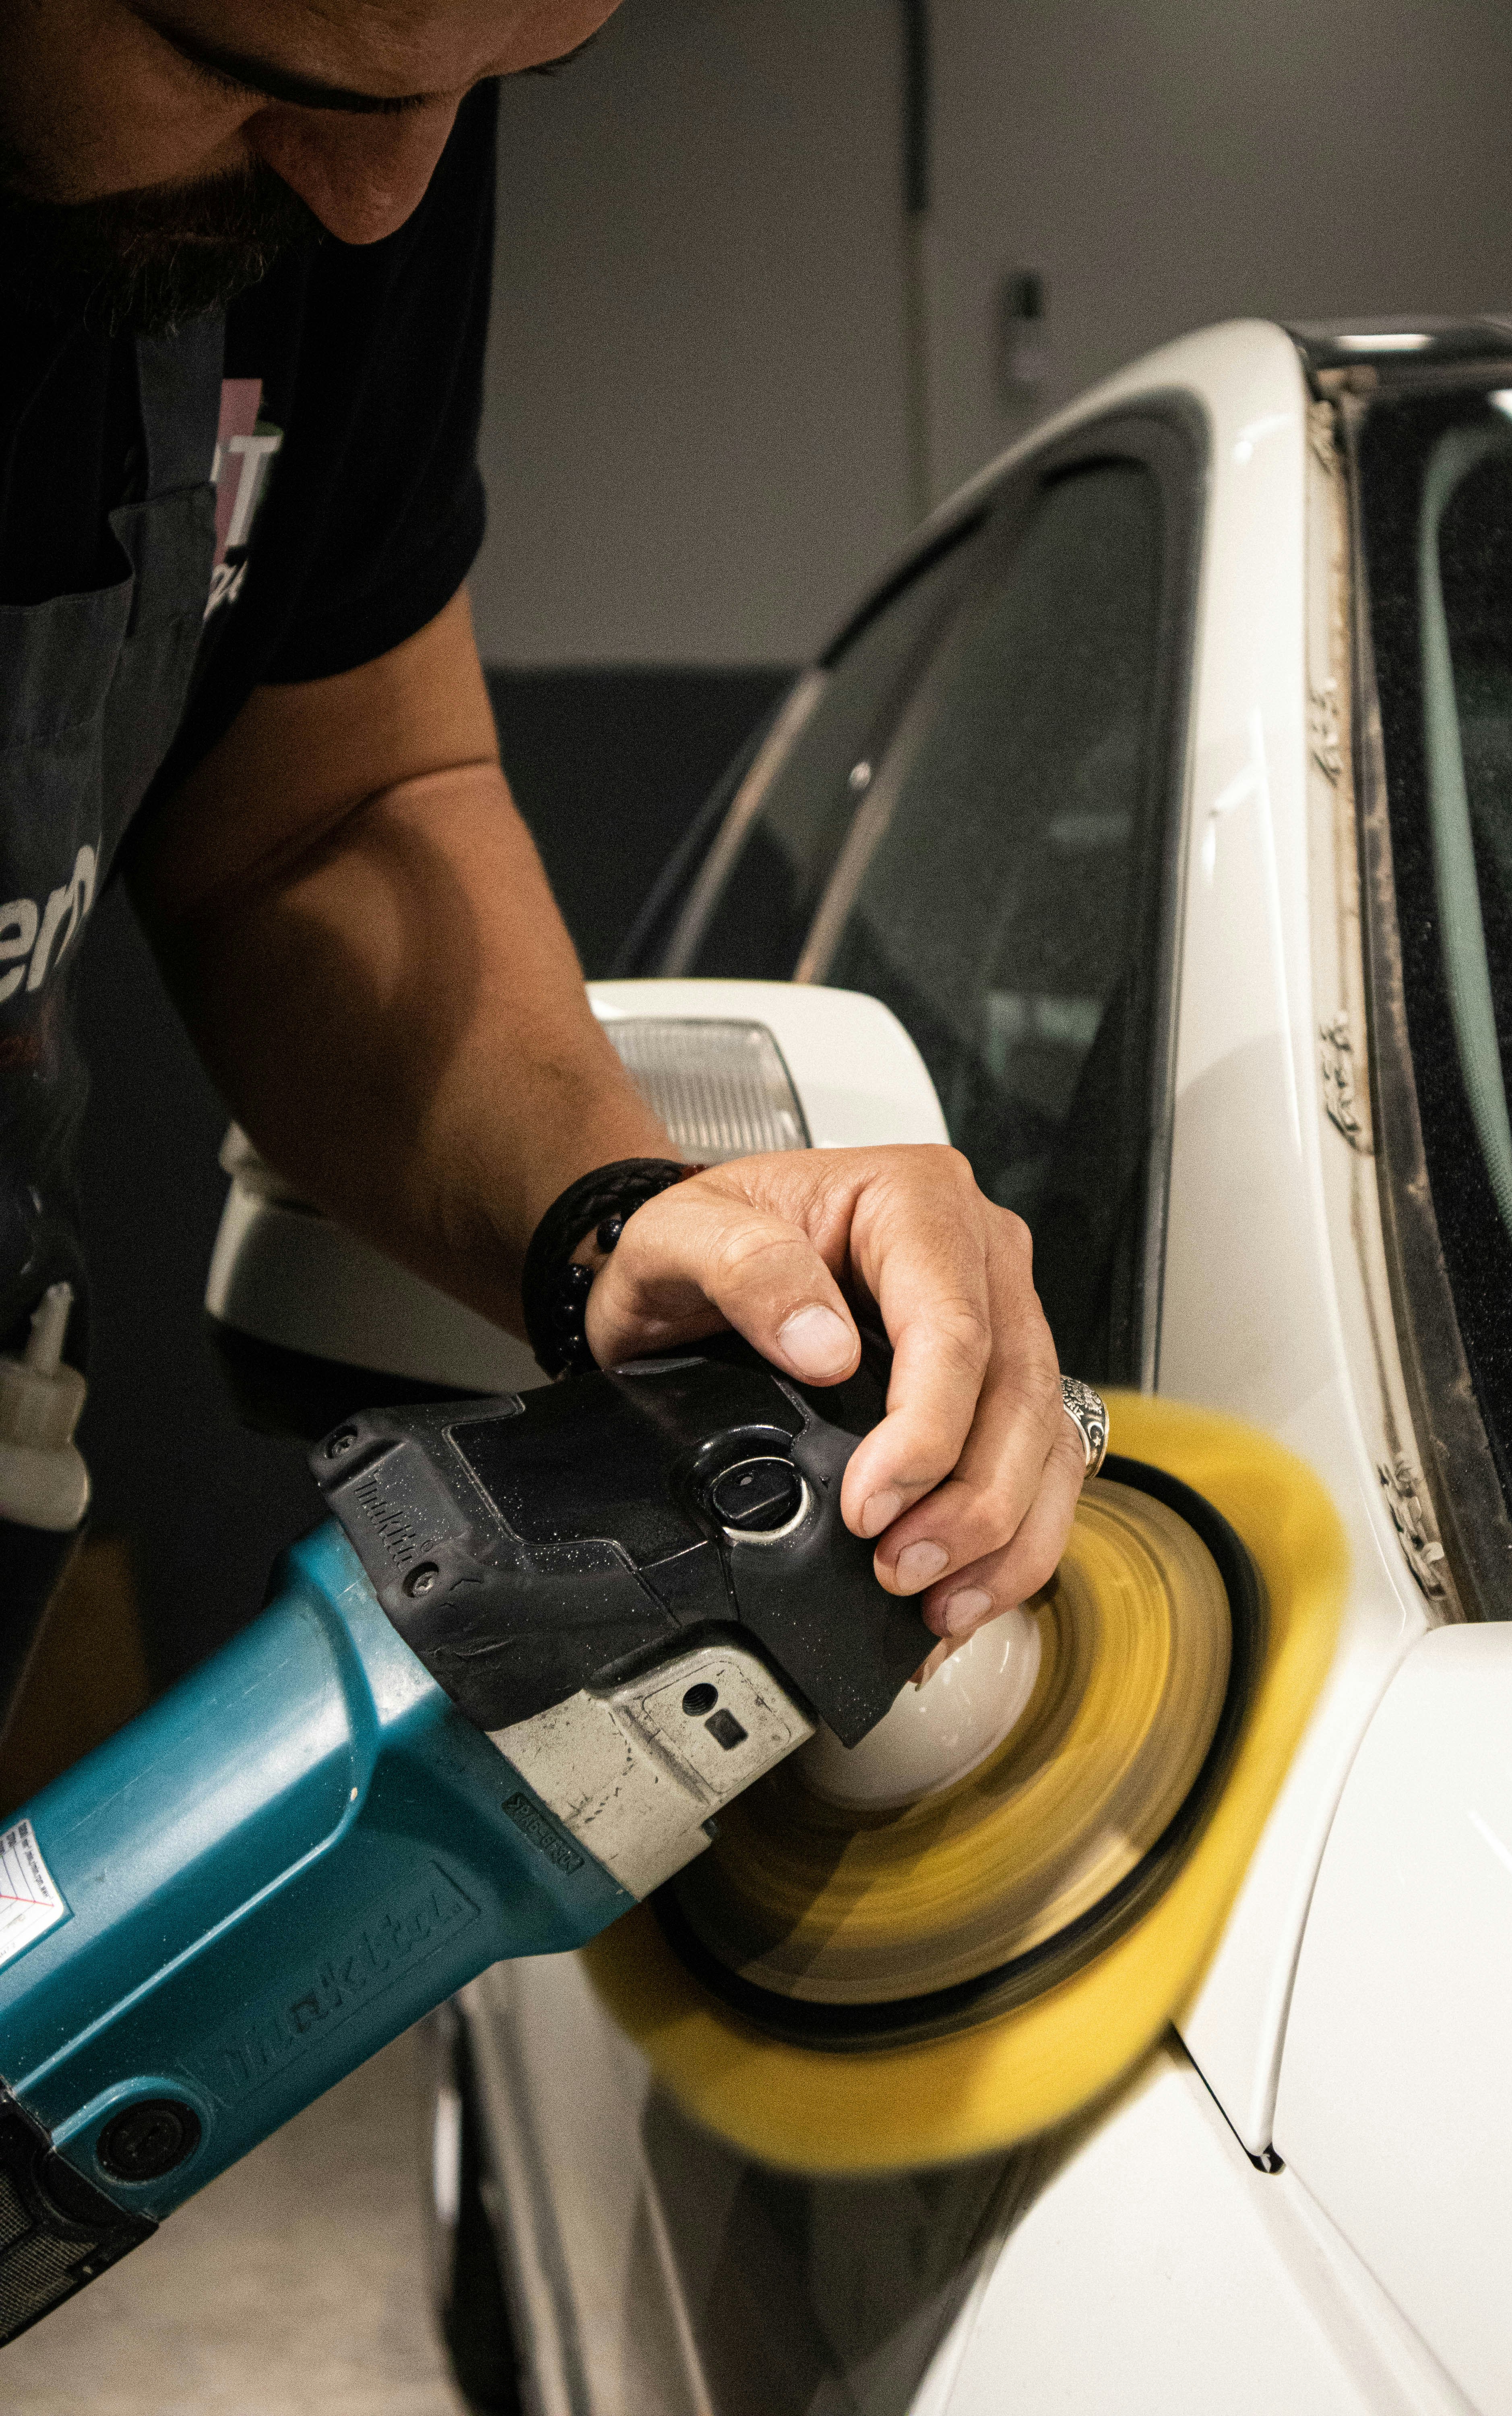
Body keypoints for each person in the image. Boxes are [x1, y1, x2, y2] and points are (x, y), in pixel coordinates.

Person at [0, 0, 1089, 1717]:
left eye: (505, 81)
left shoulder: (369, 114)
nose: (385, 200)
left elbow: (325, 816)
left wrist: (620, 1219)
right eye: (256, 81)